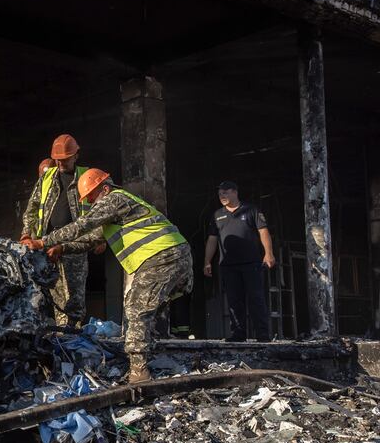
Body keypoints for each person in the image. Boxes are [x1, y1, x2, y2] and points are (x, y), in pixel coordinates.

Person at [36, 169, 192, 383]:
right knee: (149, 308)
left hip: (162, 256)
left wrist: (44, 241)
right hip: (174, 256)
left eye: (91, 197)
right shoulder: (118, 212)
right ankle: (151, 354)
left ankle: (139, 371)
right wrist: (62, 249)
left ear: (105, 188)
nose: (91, 204)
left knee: (136, 308)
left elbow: (82, 225)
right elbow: (90, 239)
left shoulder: (115, 199)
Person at [20, 134, 101, 327]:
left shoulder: (86, 177)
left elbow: (99, 211)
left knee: (75, 294)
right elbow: (32, 208)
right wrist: (26, 233)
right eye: (58, 159)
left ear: (76, 155)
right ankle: (60, 333)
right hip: (47, 242)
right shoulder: (47, 178)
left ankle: (74, 332)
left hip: (75, 245)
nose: (61, 163)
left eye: (65, 159)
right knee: (54, 292)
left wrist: (99, 238)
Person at [203, 180, 275, 342]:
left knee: (256, 298)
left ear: (235, 192)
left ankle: (262, 334)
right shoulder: (217, 215)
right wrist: (207, 261)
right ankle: (238, 333)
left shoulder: (251, 210)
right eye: (220, 193)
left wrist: (268, 254)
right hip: (228, 265)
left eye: (226, 192)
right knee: (234, 301)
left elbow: (263, 232)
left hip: (251, 263)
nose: (222, 196)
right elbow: (212, 240)